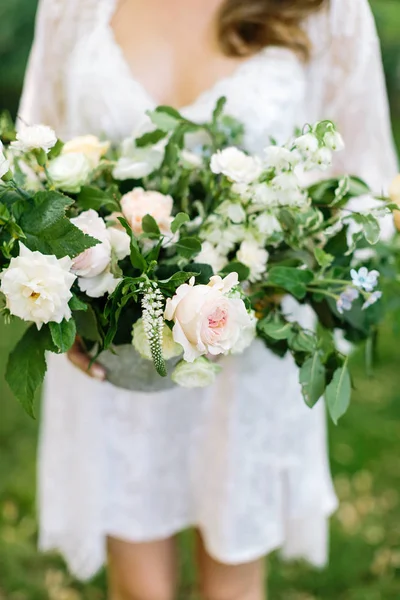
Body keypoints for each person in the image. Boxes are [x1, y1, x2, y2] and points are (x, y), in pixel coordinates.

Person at [19, 0, 398, 598]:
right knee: (138, 586)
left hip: (250, 349)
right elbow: (32, 174)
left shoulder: (329, 10)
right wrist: (55, 306)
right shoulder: (71, 8)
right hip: (116, 344)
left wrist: (280, 277)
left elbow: (367, 187)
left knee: (234, 580)